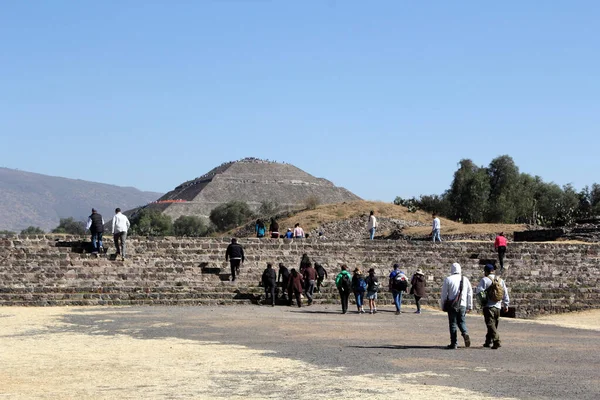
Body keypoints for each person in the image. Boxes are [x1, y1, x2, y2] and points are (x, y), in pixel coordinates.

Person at [475, 264, 510, 349]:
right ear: (493, 271)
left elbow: (479, 292)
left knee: (490, 324)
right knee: (493, 325)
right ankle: (488, 341)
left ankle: (496, 341)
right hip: (498, 306)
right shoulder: (500, 280)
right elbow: (505, 292)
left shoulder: (485, 280)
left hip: (488, 306)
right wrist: (506, 304)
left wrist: (483, 302)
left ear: (486, 271)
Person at [440, 262, 473, 349]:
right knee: (462, 321)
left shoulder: (448, 279)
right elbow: (470, 293)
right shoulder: (465, 279)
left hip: (452, 305)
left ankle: (454, 343)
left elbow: (443, 294)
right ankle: (465, 332)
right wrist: (470, 305)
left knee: (453, 323)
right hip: (462, 304)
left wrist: (443, 305)